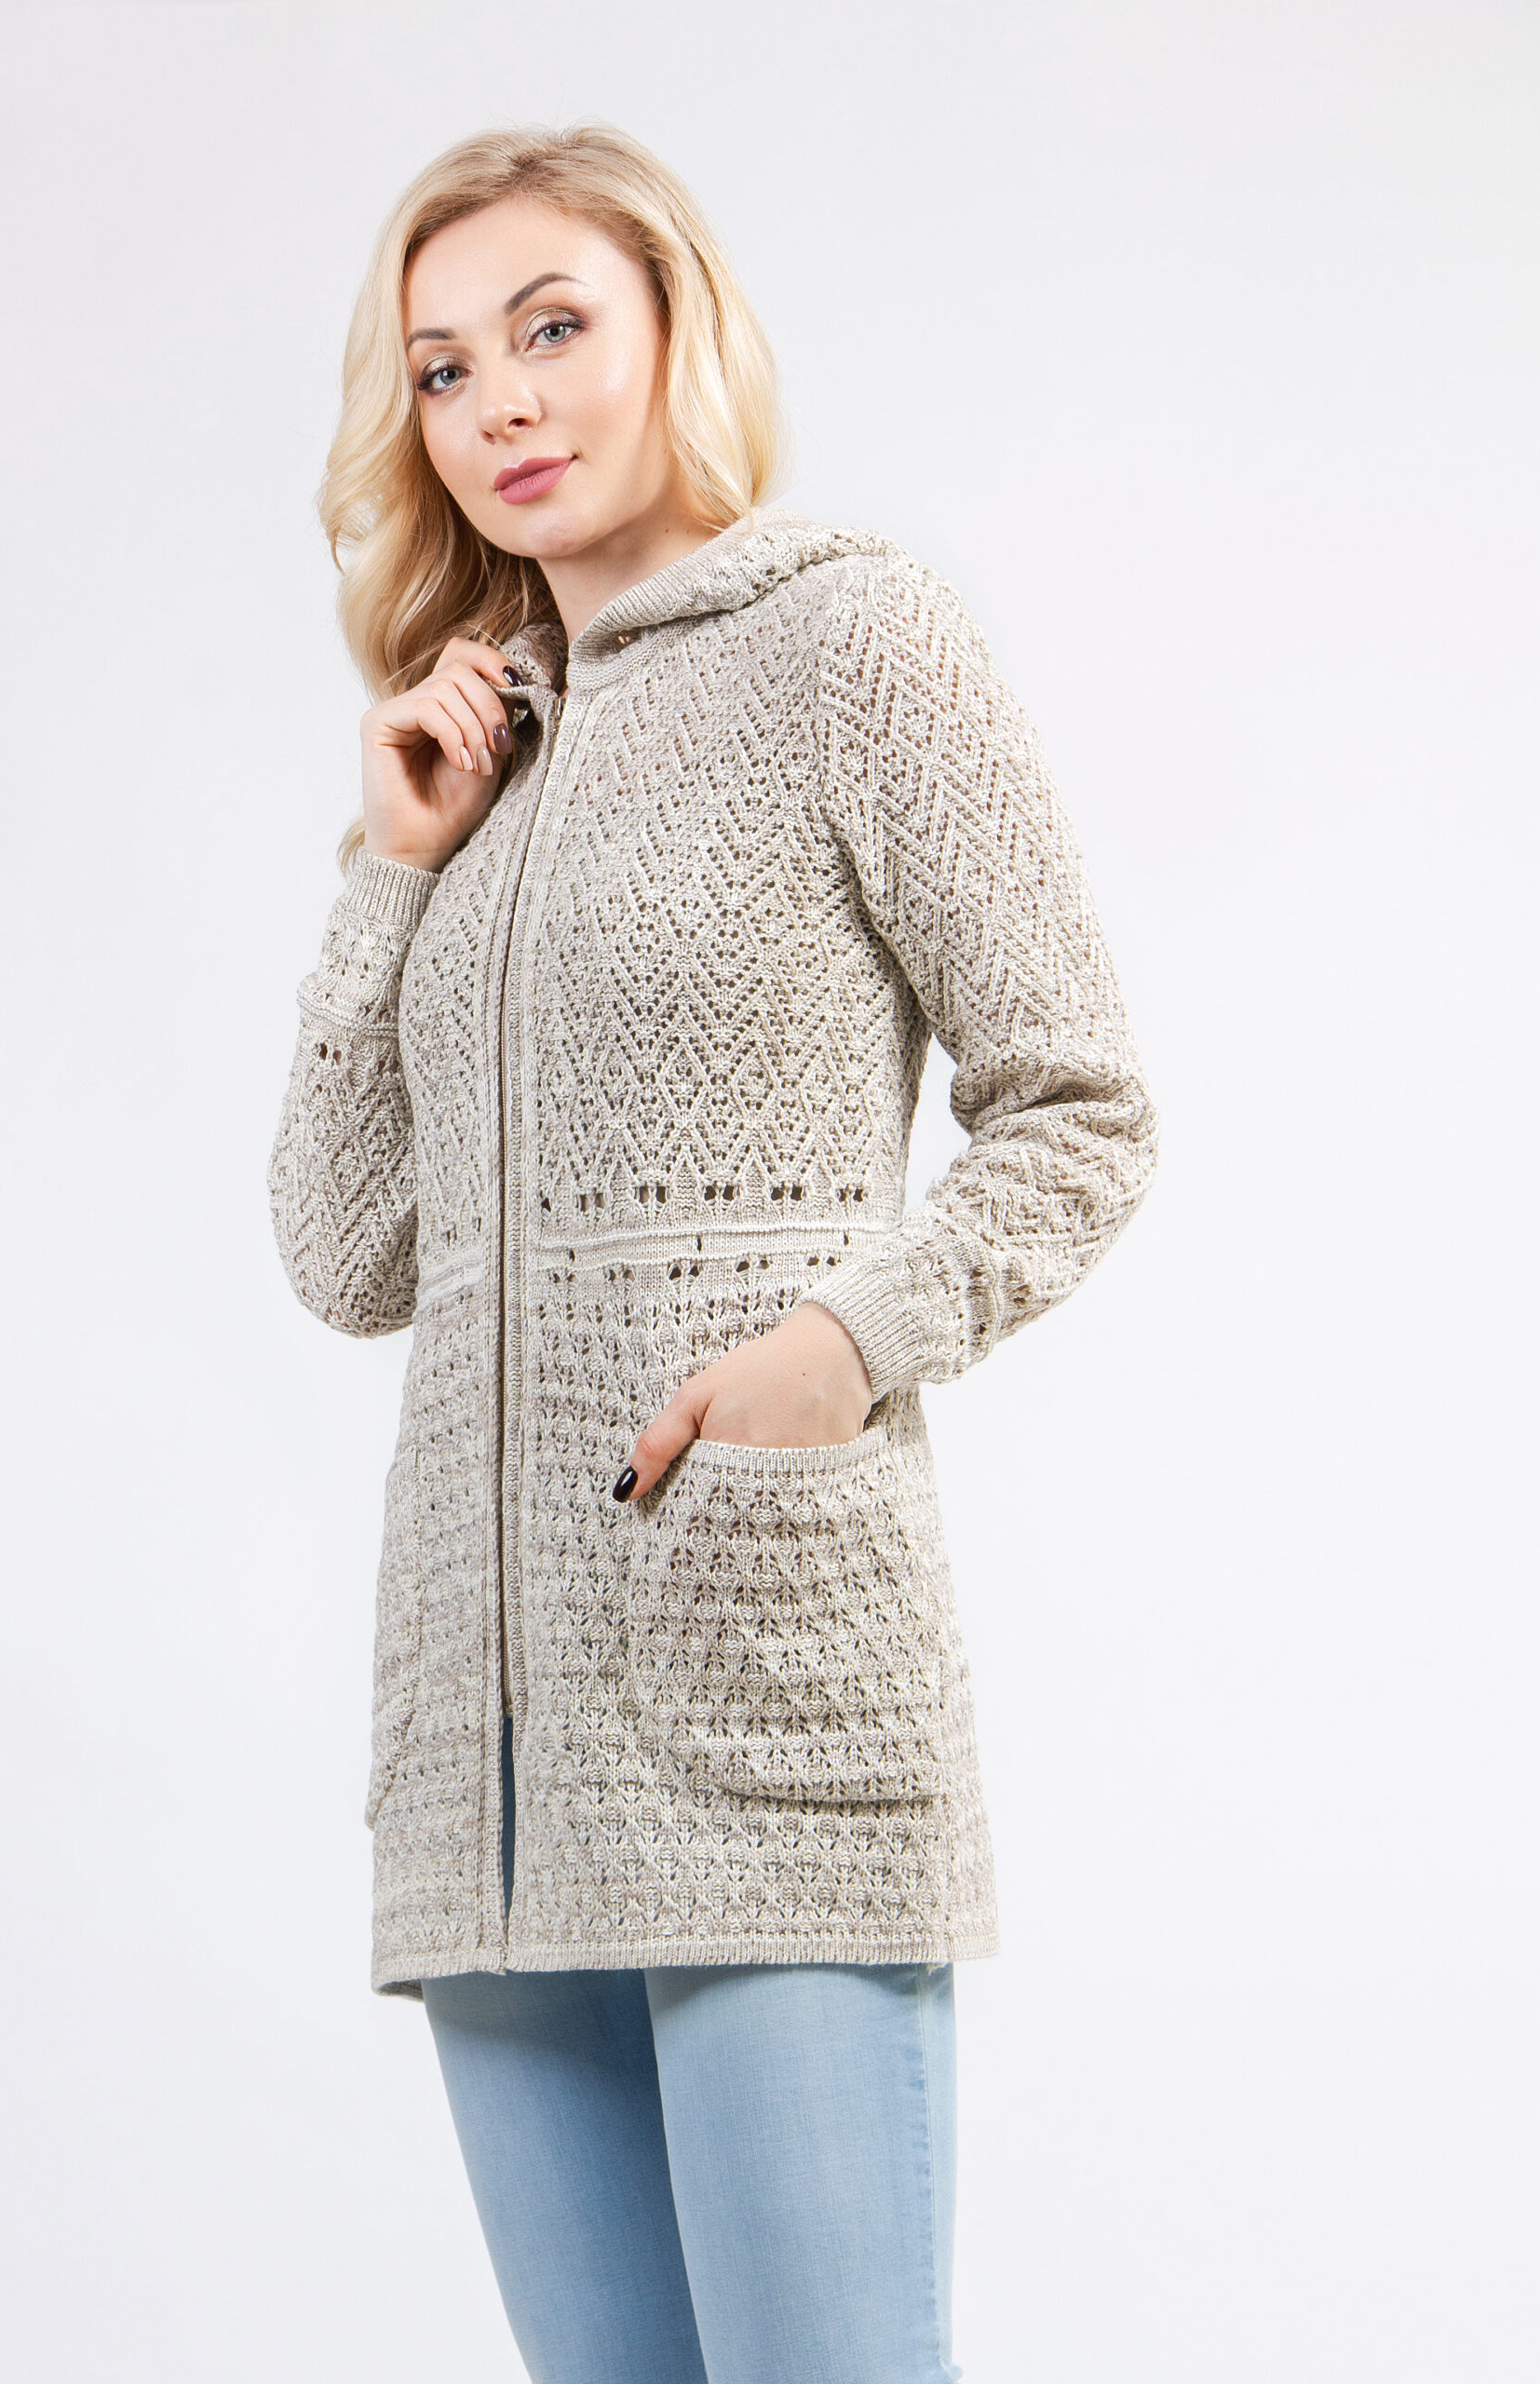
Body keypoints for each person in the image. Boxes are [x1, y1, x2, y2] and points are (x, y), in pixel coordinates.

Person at [268, 121, 1158, 2384]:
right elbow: (347, 1248)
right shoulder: (474, 758)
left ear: (681, 326)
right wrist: (394, 870)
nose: (502, 404)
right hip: (486, 1773)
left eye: (554, 328)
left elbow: (1080, 1104)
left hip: (768, 1694)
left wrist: (840, 1345)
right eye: (444, 368)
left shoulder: (855, 637)